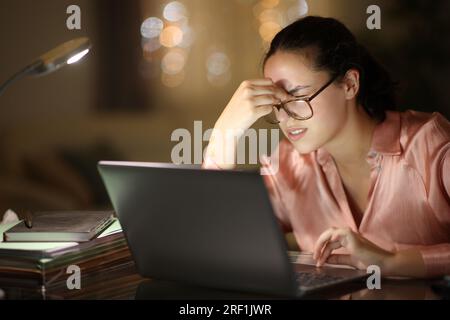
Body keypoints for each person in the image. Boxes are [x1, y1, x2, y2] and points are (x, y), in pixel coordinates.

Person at [203, 16, 450, 278]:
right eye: (276, 103)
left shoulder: (430, 145)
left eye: (297, 96)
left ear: (349, 84)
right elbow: (217, 242)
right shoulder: (291, 163)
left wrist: (393, 262)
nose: (284, 116)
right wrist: (223, 136)